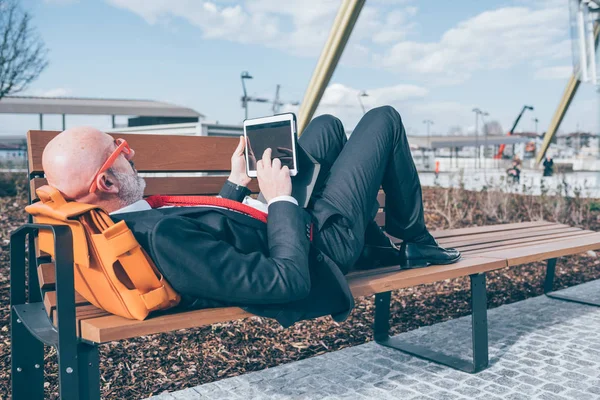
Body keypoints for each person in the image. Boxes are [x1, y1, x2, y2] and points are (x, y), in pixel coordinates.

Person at [42, 106, 460, 327]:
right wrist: (279, 201)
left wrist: (237, 185)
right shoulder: (163, 240)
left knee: (328, 126)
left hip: (284, 226)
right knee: (382, 119)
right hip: (319, 249)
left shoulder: (135, 221)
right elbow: (287, 281)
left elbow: (210, 234)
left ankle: (379, 248)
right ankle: (415, 239)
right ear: (108, 184)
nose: (130, 152)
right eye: (120, 151)